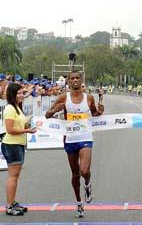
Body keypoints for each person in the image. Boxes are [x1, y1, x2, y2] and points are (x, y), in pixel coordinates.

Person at [46, 70, 104, 218]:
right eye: (72, 78)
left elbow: (95, 114)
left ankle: (88, 184)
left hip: (85, 137)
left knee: (84, 171)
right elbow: (47, 114)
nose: (75, 80)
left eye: (78, 78)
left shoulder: (89, 98)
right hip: (70, 138)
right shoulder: (64, 97)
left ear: (81, 80)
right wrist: (54, 110)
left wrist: (100, 111)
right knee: (75, 174)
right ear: (69, 81)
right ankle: (79, 203)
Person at [1, 83, 37, 216]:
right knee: (13, 177)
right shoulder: (10, 108)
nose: (22, 95)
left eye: (23, 93)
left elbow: (19, 124)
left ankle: (12, 201)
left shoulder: (17, 107)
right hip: (12, 145)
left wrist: (28, 124)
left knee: (15, 176)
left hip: (18, 144)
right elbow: (10, 129)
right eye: (20, 93)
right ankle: (9, 205)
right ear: (13, 94)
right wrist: (26, 130)